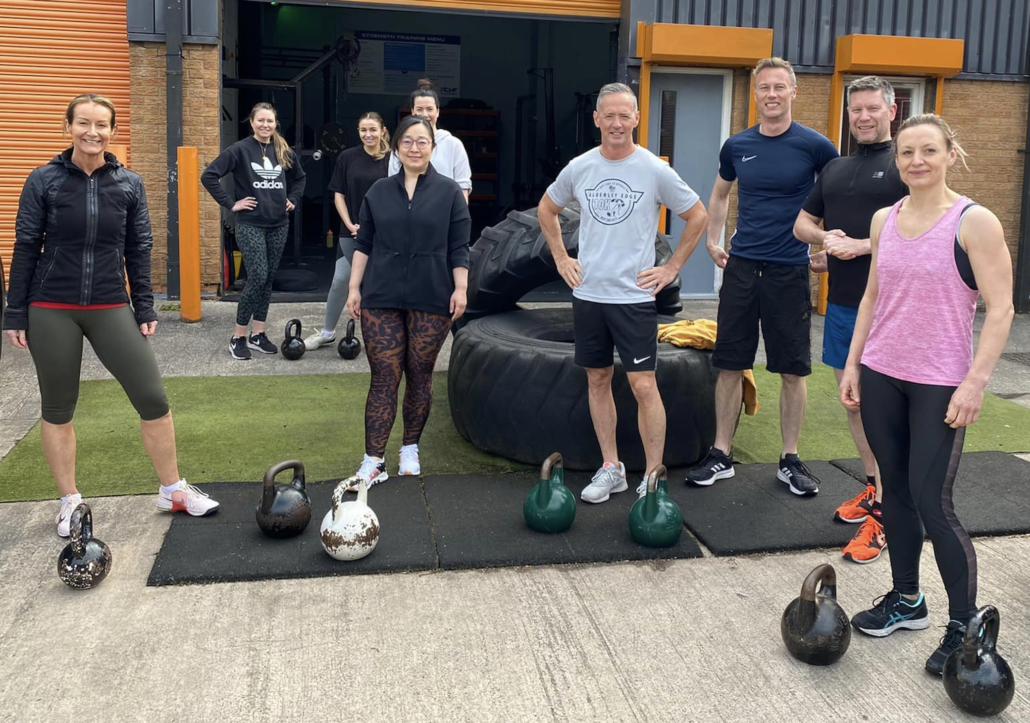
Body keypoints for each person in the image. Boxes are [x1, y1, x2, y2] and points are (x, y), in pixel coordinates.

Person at [841, 114, 1014, 675]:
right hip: (882, 372)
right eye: (907, 152)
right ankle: (907, 600)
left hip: (940, 381)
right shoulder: (883, 219)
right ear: (897, 160)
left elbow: (1002, 308)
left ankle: (964, 628)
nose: (917, 161)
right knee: (894, 493)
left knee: (933, 503)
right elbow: (872, 297)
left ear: (950, 155)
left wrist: (975, 382)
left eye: (929, 151)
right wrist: (853, 363)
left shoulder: (974, 221)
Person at [2, 94, 219, 535]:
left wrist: (144, 305)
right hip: (51, 306)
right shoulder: (43, 180)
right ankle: (69, 500)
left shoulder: (129, 183)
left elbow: (139, 247)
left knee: (153, 399)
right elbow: (26, 246)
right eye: (83, 123)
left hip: (110, 303)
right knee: (58, 407)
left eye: (102, 124)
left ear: (113, 131)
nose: (92, 132)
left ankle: (172, 489)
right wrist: (15, 312)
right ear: (68, 127)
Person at [539, 82, 708, 503]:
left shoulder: (653, 169)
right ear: (596, 119)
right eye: (609, 115)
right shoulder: (580, 167)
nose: (617, 123)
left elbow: (698, 215)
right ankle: (611, 467)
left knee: (644, 386)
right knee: (597, 379)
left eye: (624, 115)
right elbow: (547, 208)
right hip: (589, 295)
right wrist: (561, 258)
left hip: (633, 298)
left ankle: (652, 476)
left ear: (636, 118)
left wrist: (671, 268)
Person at [687, 57, 838, 496]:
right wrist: (713, 240)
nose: (771, 94)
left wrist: (830, 246)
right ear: (755, 94)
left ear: (793, 92)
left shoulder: (816, 146)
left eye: (779, 87)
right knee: (730, 364)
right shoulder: (737, 145)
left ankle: (790, 459)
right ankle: (720, 454)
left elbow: (838, 196)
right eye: (764, 88)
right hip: (741, 268)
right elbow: (720, 193)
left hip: (789, 270)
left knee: (792, 370)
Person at [794, 76, 908, 563]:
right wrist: (825, 241)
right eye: (855, 109)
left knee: (885, 412)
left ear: (891, 111)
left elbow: (922, 228)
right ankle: (874, 486)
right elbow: (802, 223)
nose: (863, 116)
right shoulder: (836, 168)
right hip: (842, 306)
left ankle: (889, 513)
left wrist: (863, 246)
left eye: (872, 108)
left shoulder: (904, 165)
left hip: (890, 310)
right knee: (855, 404)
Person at [344, 115, 471, 487]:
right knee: (384, 377)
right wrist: (354, 288)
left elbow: (459, 246)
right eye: (407, 142)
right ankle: (373, 460)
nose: (415, 148)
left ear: (432, 147)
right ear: (396, 147)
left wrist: (460, 288)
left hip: (432, 293)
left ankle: (410, 447)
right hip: (381, 293)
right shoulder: (379, 191)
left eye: (422, 142)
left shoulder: (450, 192)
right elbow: (363, 243)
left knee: (419, 373)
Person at [202, 102, 306, 360]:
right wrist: (231, 203)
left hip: (279, 224)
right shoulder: (239, 149)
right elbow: (209, 175)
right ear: (252, 123)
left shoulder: (282, 149)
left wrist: (293, 198)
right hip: (250, 224)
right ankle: (238, 336)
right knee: (257, 276)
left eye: (269, 121)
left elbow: (300, 178)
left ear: (275, 123)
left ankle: (257, 334)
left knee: (267, 278)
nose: (265, 125)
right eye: (260, 120)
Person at [304, 112, 390, 350]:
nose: (368, 134)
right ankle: (327, 332)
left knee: (377, 283)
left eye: (373, 129)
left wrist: (378, 225)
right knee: (341, 280)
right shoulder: (347, 157)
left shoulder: (394, 159)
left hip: (383, 232)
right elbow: (338, 194)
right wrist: (351, 224)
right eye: (363, 130)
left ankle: (380, 335)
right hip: (351, 230)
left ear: (383, 131)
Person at [389, 79, 471, 201]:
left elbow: (462, 186)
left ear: (437, 111)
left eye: (429, 109)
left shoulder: (453, 145)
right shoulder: (402, 144)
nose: (425, 114)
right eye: (419, 109)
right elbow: (393, 184)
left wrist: (459, 212)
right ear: (412, 111)